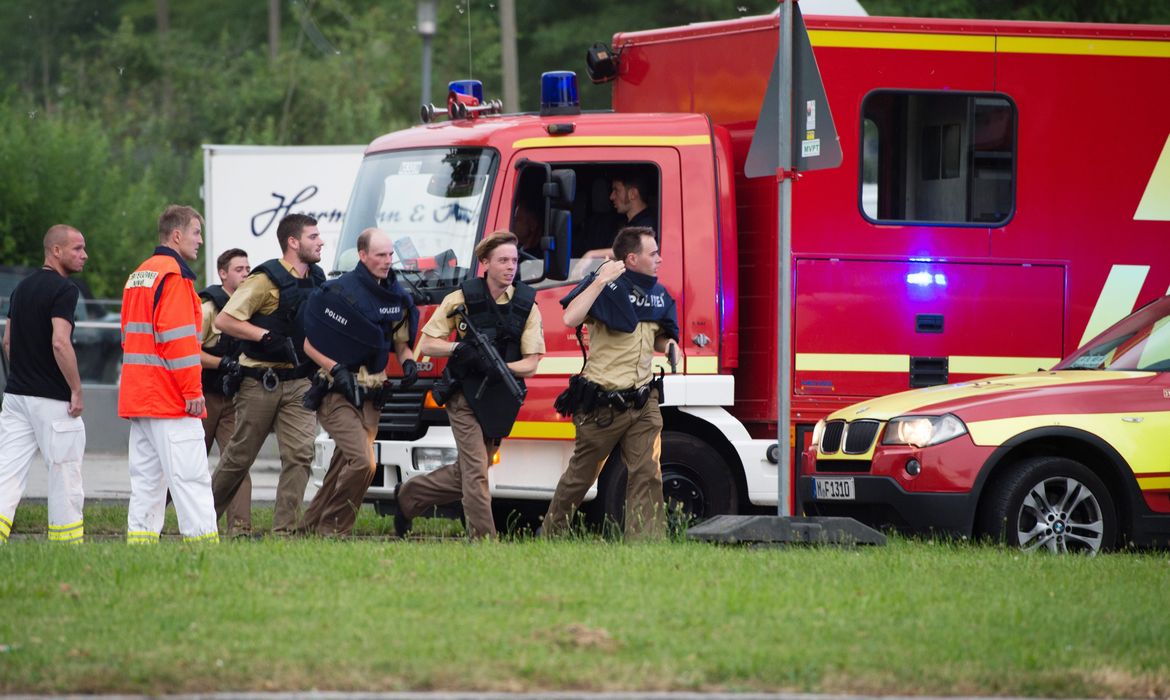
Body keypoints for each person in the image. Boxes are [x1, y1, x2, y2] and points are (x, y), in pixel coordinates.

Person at [395, 231, 545, 539]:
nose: (510, 267)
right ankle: (484, 541)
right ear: (485, 263)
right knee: (476, 472)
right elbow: (427, 343)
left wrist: (499, 367)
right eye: (503, 260)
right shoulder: (461, 298)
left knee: (468, 472)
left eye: (514, 260)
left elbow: (531, 363)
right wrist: (459, 349)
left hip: (499, 398)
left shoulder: (527, 304)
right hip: (464, 396)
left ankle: (408, 496)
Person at [543, 226, 679, 540]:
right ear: (632, 258)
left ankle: (644, 544)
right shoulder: (605, 290)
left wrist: (669, 345)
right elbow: (570, 318)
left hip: (643, 401)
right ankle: (551, 534)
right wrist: (601, 278)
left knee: (647, 474)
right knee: (580, 477)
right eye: (653, 253)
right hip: (603, 404)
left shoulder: (657, 294)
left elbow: (658, 336)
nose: (659, 258)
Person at [297, 228, 418, 536]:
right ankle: (333, 529)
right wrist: (334, 368)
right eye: (380, 255)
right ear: (363, 255)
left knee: (343, 464)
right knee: (364, 464)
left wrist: (409, 364)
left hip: (372, 392)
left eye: (391, 254)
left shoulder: (395, 297)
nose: (388, 261)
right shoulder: (339, 292)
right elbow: (309, 344)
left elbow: (400, 344)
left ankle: (308, 527)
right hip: (336, 390)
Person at [210, 214, 324, 535]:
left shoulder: (317, 279)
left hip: (300, 381)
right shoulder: (264, 279)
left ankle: (283, 534)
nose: (321, 242)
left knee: (300, 456)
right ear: (293, 242)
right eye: (313, 236)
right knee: (238, 458)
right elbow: (225, 321)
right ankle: (202, 523)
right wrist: (264, 336)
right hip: (260, 381)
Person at [119, 205, 218, 544]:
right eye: (196, 233)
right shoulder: (174, 277)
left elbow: (128, 337)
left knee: (146, 482)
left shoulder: (140, 275)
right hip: (170, 399)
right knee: (191, 479)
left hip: (140, 396)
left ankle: (141, 546)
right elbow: (178, 344)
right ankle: (204, 547)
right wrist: (192, 392)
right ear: (177, 236)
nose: (200, 241)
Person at [0, 225, 89, 544]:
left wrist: (23, 373)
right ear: (55, 251)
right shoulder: (65, 290)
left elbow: (7, 342)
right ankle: (66, 544)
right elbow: (60, 343)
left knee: (6, 474)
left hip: (15, 397)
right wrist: (76, 389)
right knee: (64, 473)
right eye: (77, 249)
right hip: (53, 401)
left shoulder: (21, 289)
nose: (84, 255)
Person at [198, 247, 251, 536]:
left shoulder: (249, 307)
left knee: (237, 461)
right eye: (239, 270)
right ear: (222, 274)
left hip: (233, 400)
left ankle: (241, 529)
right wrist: (223, 362)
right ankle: (150, 521)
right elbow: (190, 353)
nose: (245, 274)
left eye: (247, 269)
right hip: (203, 399)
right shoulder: (208, 308)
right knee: (189, 466)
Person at [579, 172, 658, 260]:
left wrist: (591, 254)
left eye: (616, 190)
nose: (611, 197)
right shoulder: (622, 222)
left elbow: (633, 250)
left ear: (633, 194)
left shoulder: (648, 224)